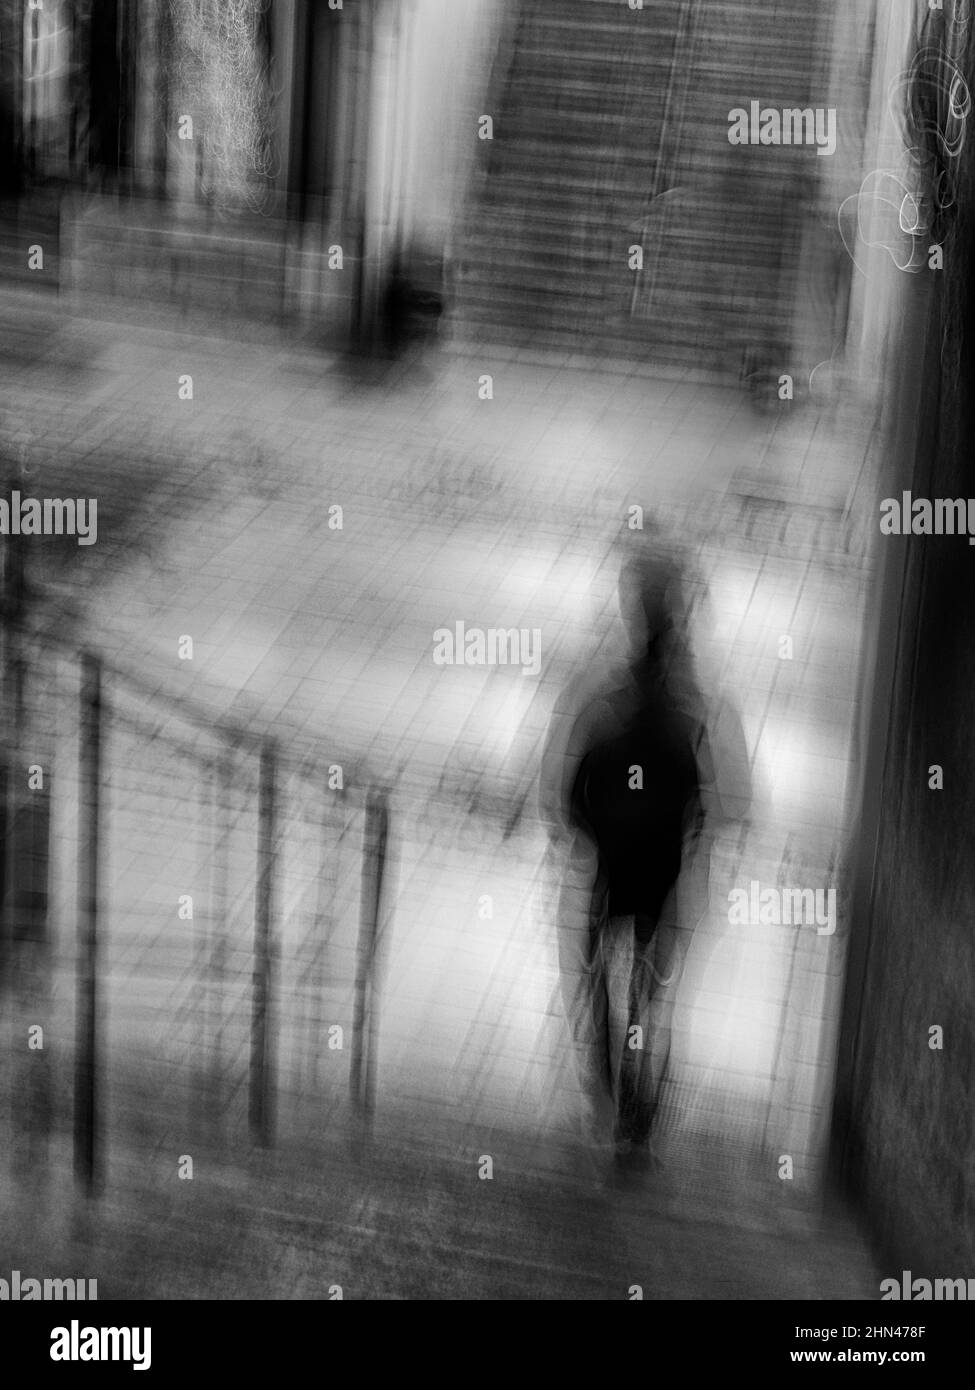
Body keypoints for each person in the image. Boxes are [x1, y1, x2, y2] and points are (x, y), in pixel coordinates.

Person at [540, 543, 747, 1175]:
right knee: (654, 994)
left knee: (597, 978)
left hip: (609, 867)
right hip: (666, 874)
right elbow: (726, 805)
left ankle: (612, 1102)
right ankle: (639, 1113)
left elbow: (563, 790)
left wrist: (578, 828)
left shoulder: (601, 693)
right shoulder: (700, 707)